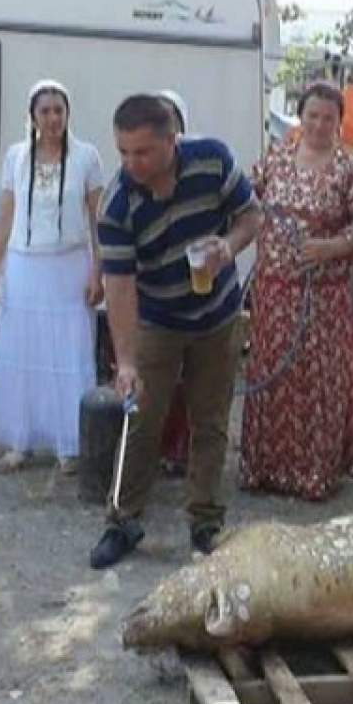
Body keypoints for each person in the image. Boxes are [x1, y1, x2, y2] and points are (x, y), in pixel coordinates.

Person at [90, 94, 262, 569]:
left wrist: (227, 248)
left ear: (172, 140)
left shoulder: (212, 159)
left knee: (210, 422)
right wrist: (125, 361)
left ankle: (206, 521)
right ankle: (122, 520)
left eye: (141, 152)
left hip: (218, 314)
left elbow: (252, 217)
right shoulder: (117, 203)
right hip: (157, 320)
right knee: (141, 418)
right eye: (123, 151)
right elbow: (119, 288)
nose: (130, 163)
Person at [239, 81, 353, 501]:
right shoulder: (277, 157)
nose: (319, 124)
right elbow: (248, 201)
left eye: (328, 118)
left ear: (339, 122)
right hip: (275, 290)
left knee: (317, 379)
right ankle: (264, 467)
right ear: (301, 117)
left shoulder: (351, 167)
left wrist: (332, 246)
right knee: (271, 372)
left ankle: (313, 472)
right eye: (312, 116)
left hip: (325, 295)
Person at [0, 79, 105, 474]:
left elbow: (97, 221)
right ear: (32, 116)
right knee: (22, 352)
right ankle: (21, 440)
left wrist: (98, 270)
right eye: (44, 111)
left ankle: (70, 442)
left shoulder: (87, 157)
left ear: (68, 114)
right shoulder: (17, 157)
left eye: (58, 110)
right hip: (24, 266)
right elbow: (5, 216)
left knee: (68, 351)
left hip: (68, 265)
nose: (52, 118)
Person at [155, 88, 192, 477]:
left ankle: (181, 449)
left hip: (191, 286)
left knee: (188, 379)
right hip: (154, 285)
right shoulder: (141, 170)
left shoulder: (197, 169)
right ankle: (151, 447)